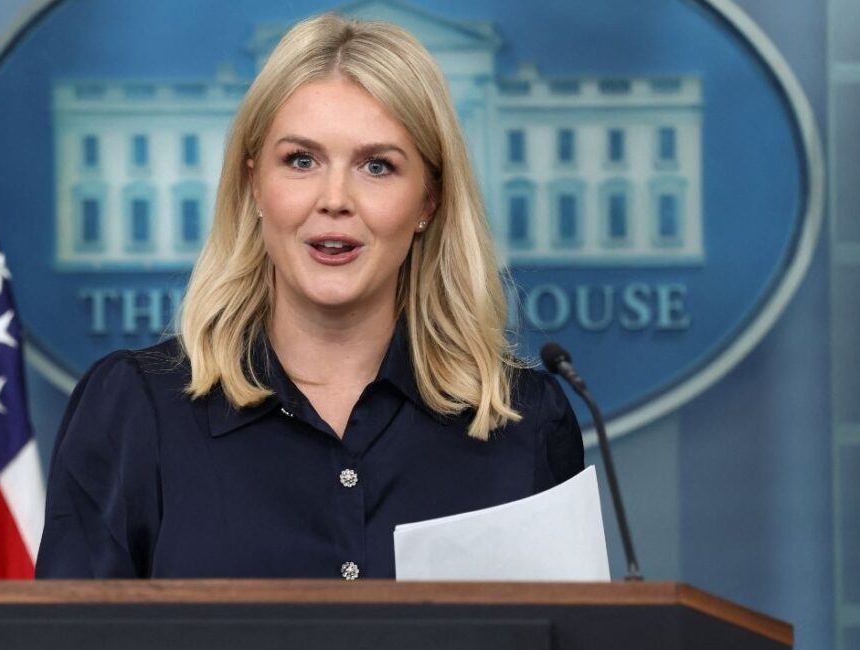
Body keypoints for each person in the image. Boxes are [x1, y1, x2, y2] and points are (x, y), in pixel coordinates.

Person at [35, 14, 583, 580]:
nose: (335, 198)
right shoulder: (135, 409)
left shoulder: (525, 423)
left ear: (428, 203)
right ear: (254, 185)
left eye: (377, 166)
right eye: (301, 161)